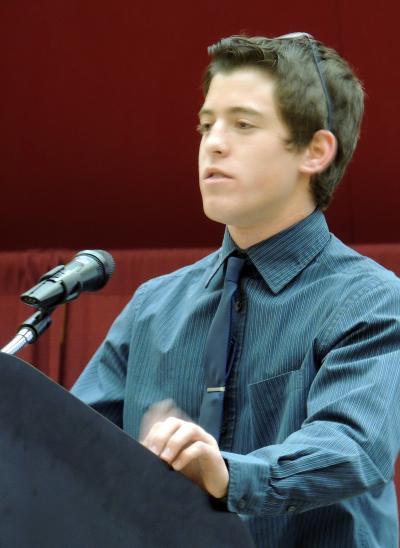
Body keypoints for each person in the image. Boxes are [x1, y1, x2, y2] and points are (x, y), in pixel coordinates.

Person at [72, 33, 400, 547]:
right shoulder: (152, 308)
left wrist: (226, 474)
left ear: (315, 150)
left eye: (243, 125)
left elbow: (353, 446)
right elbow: (68, 448)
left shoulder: (372, 300)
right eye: (206, 125)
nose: (214, 142)